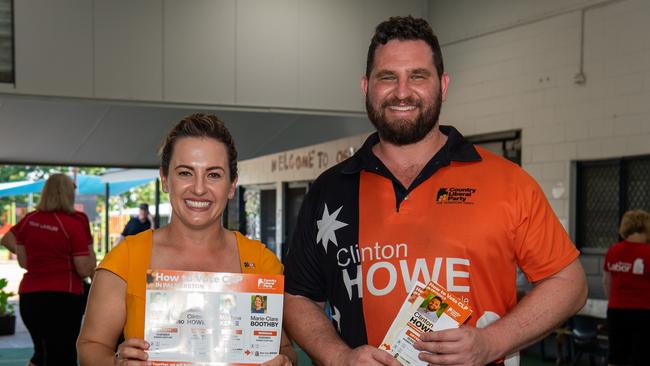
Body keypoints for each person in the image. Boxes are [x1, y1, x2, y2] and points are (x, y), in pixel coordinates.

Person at [283, 15, 587, 366]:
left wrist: (491, 342)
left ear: (442, 85)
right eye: (387, 77)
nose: (401, 92)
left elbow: (569, 282)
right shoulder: (330, 190)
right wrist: (338, 357)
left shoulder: (506, 182)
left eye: (417, 76)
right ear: (366, 86)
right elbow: (298, 296)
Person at [77, 113, 296, 366]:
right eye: (185, 173)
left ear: (232, 185)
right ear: (164, 180)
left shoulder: (262, 262)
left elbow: (283, 348)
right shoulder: (126, 259)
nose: (199, 188)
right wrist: (116, 363)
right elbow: (91, 346)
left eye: (213, 175)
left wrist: (284, 362)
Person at [0, 173, 96, 366]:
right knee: (64, 355)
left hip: (30, 297)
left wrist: (30, 260)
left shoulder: (30, 219)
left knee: (41, 354)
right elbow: (84, 268)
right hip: (63, 297)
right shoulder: (73, 223)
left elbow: (8, 239)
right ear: (67, 193)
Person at [602, 209, 650, 366]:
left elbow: (606, 282)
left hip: (616, 311)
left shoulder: (613, 251)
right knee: (641, 357)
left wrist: (615, 301)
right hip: (644, 312)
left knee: (615, 357)